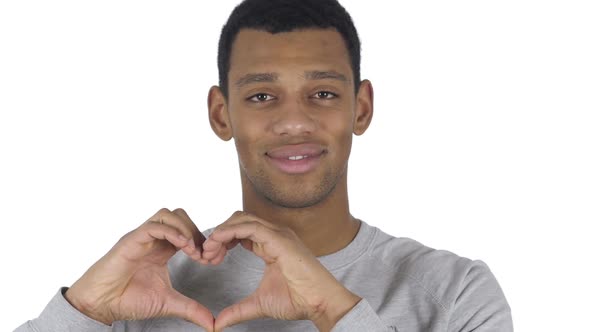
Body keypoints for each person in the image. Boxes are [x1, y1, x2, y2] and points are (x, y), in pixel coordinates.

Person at [15, 0, 513, 331]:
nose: (293, 121)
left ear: (360, 108)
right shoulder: (145, 289)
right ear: (221, 113)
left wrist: (335, 309)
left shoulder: (455, 293)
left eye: (322, 93)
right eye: (261, 95)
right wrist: (82, 311)